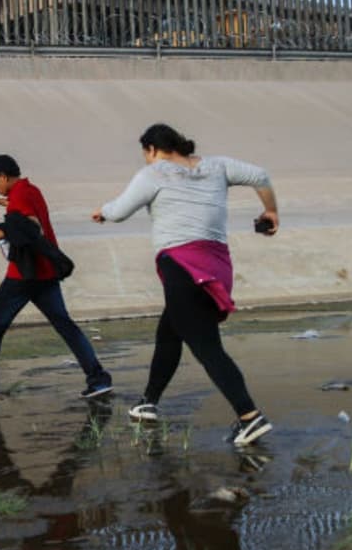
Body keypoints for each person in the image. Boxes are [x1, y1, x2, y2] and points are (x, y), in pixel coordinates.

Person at [92, 123, 278, 447]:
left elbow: (120, 211)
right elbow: (260, 175)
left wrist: (103, 212)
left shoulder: (154, 173)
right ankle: (148, 401)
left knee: (207, 346)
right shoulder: (217, 165)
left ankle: (250, 417)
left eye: (146, 155)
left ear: (151, 150)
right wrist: (271, 211)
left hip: (181, 267)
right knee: (169, 331)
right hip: (217, 266)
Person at [0, 155, 113, 400]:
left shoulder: (20, 196)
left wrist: (2, 232)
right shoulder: (29, 190)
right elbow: (20, 208)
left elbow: (30, 224)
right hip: (46, 273)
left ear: (4, 176)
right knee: (65, 326)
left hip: (24, 276)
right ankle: (99, 380)